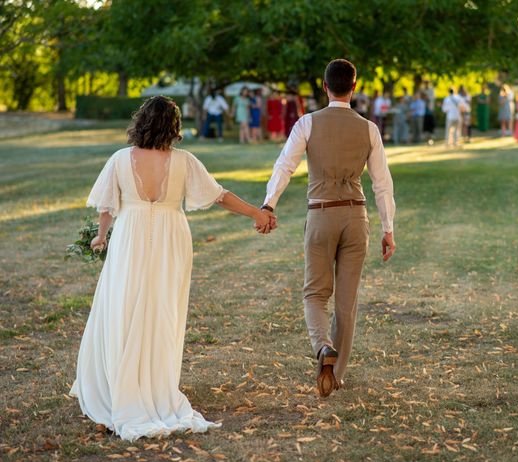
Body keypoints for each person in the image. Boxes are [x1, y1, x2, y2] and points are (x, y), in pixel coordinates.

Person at [70, 96, 276, 441]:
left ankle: (118, 389)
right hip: (171, 239)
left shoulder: (121, 159)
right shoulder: (184, 161)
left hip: (130, 237)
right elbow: (220, 196)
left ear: (141, 122)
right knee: (162, 311)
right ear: (174, 127)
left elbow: (107, 204)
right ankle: (152, 384)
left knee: (122, 306)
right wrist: (257, 213)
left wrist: (101, 237)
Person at [261, 59, 396, 397]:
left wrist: (269, 204)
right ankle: (335, 375)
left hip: (321, 214)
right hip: (356, 216)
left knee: (315, 293)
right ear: (354, 87)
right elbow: (382, 183)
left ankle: (323, 348)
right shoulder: (369, 128)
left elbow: (285, 166)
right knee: (346, 302)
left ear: (324, 87)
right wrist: (388, 228)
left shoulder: (307, 123)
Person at [422, 81, 436, 145]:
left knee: (431, 127)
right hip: (424, 112)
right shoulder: (423, 90)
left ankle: (430, 139)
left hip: (430, 111)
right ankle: (427, 140)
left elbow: (432, 99)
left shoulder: (431, 90)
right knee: (425, 127)